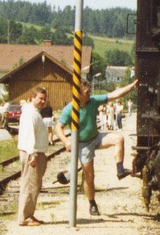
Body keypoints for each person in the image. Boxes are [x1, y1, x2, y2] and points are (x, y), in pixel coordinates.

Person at [54, 78, 138, 216]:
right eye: (87, 92)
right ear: (78, 94)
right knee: (90, 176)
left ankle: (120, 170)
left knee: (119, 138)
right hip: (83, 144)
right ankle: (92, 203)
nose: (89, 94)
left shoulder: (93, 101)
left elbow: (114, 95)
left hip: (96, 137)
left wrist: (131, 87)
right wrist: (65, 141)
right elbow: (59, 127)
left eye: (89, 91)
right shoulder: (70, 109)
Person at [17, 87, 50, 226]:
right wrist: (33, 153)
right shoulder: (30, 113)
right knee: (29, 185)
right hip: (32, 153)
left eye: (44, 99)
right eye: (39, 98)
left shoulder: (34, 112)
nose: (42, 101)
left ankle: (29, 214)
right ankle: (24, 218)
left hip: (35, 152)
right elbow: (29, 134)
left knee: (34, 185)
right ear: (32, 98)